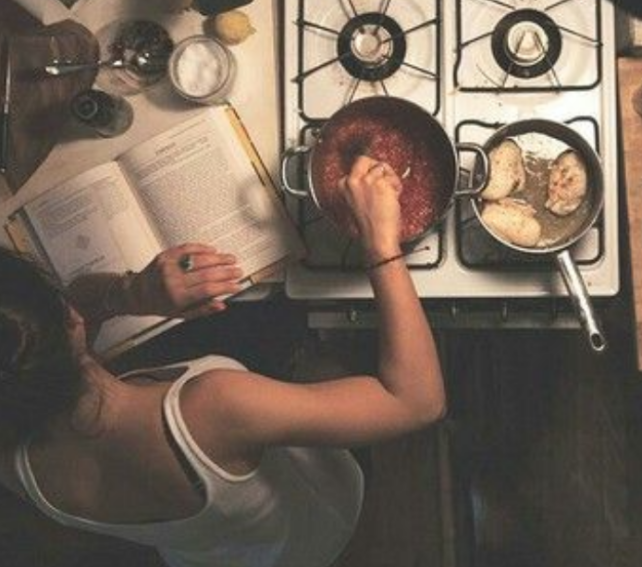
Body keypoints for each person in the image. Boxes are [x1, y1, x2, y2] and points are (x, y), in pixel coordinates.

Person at [0, 155, 446, 567]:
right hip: (319, 524)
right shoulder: (216, 405)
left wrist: (133, 293)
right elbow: (416, 401)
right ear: (70, 320)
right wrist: (379, 243)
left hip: (224, 552)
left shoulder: (12, 457)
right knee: (329, 368)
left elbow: (61, 319)